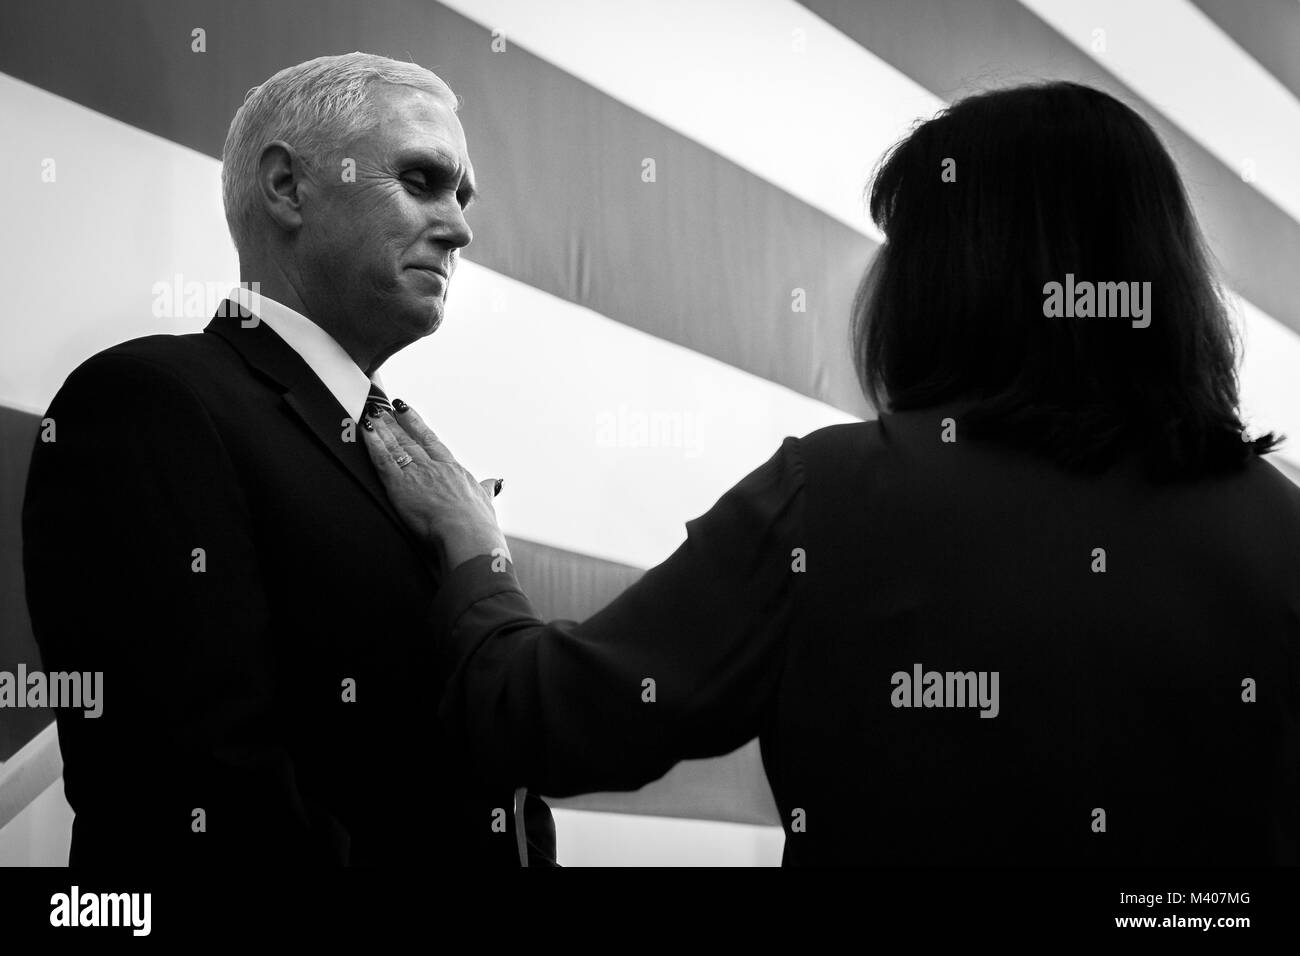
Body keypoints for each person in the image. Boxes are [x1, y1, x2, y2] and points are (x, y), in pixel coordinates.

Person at [359, 82, 1300, 865]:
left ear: (957, 278)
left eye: (903, 250)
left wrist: (476, 556)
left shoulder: (838, 497)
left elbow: (541, 721)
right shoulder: (1279, 526)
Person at [22, 52, 554, 866]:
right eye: (421, 180)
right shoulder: (145, 404)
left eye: (463, 195)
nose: (459, 227)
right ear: (286, 186)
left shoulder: (407, 457)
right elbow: (196, 804)